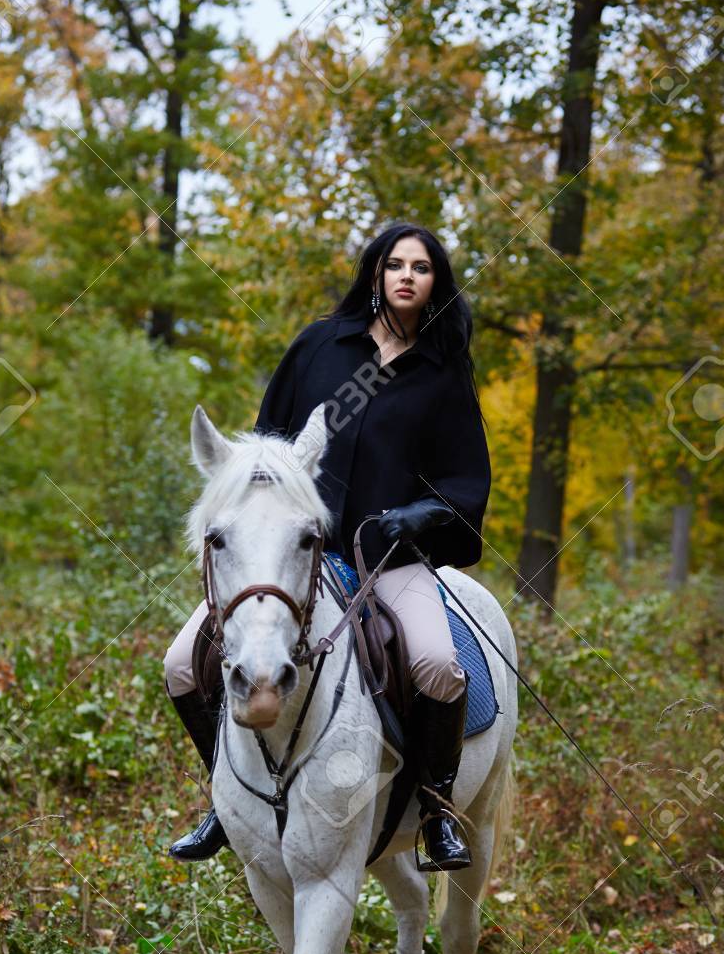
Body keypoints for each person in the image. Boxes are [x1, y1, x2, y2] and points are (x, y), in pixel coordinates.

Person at [164, 221, 492, 871]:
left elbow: (466, 477)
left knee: (437, 665)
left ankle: (435, 809)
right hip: (291, 555)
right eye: (394, 263)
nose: (406, 275)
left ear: (434, 284)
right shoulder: (319, 347)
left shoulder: (443, 372)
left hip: (387, 562)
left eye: (420, 268)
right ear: (374, 273)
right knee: (180, 663)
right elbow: (263, 448)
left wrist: (426, 513)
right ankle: (224, 801)